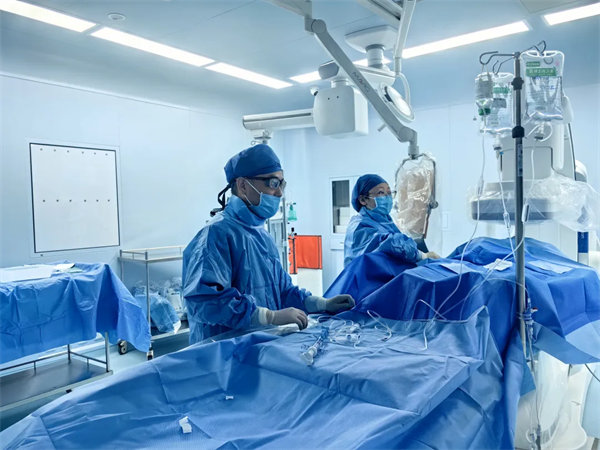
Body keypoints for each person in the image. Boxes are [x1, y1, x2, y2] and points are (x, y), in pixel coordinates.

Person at [183, 144, 355, 344]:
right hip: (222, 352)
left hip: (260, 347)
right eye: (273, 183)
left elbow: (283, 291)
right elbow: (205, 301)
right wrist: (269, 317)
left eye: (282, 184)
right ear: (243, 185)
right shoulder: (215, 235)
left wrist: (322, 303)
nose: (280, 193)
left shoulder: (261, 236)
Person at [344, 174, 440, 267]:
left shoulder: (385, 221)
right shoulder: (359, 225)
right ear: (363, 200)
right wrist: (422, 255)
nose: (387, 197)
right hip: (365, 277)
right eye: (381, 193)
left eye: (389, 193)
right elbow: (388, 243)